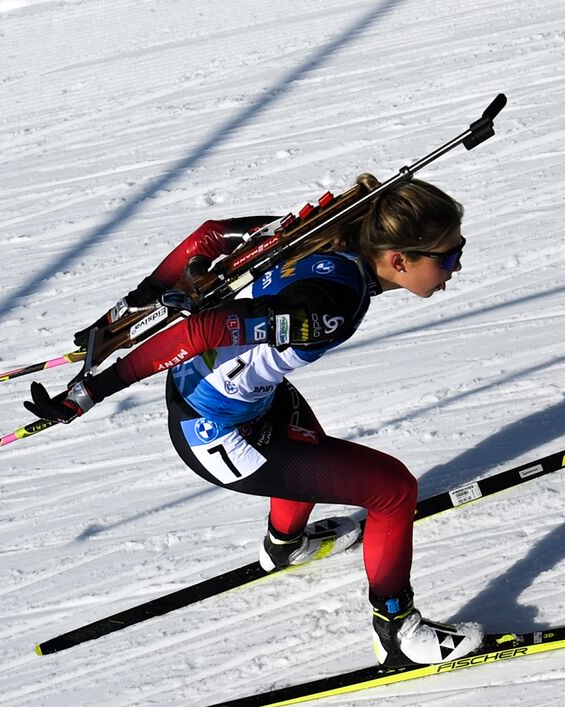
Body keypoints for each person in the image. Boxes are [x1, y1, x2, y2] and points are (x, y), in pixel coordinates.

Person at [24, 179, 482, 667]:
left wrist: (137, 301)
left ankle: (285, 546)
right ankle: (398, 636)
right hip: (218, 434)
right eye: (448, 256)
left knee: (308, 448)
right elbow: (201, 329)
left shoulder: (328, 233)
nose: (456, 267)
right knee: (391, 490)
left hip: (232, 398)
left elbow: (211, 235)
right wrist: (92, 390)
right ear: (398, 260)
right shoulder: (330, 305)